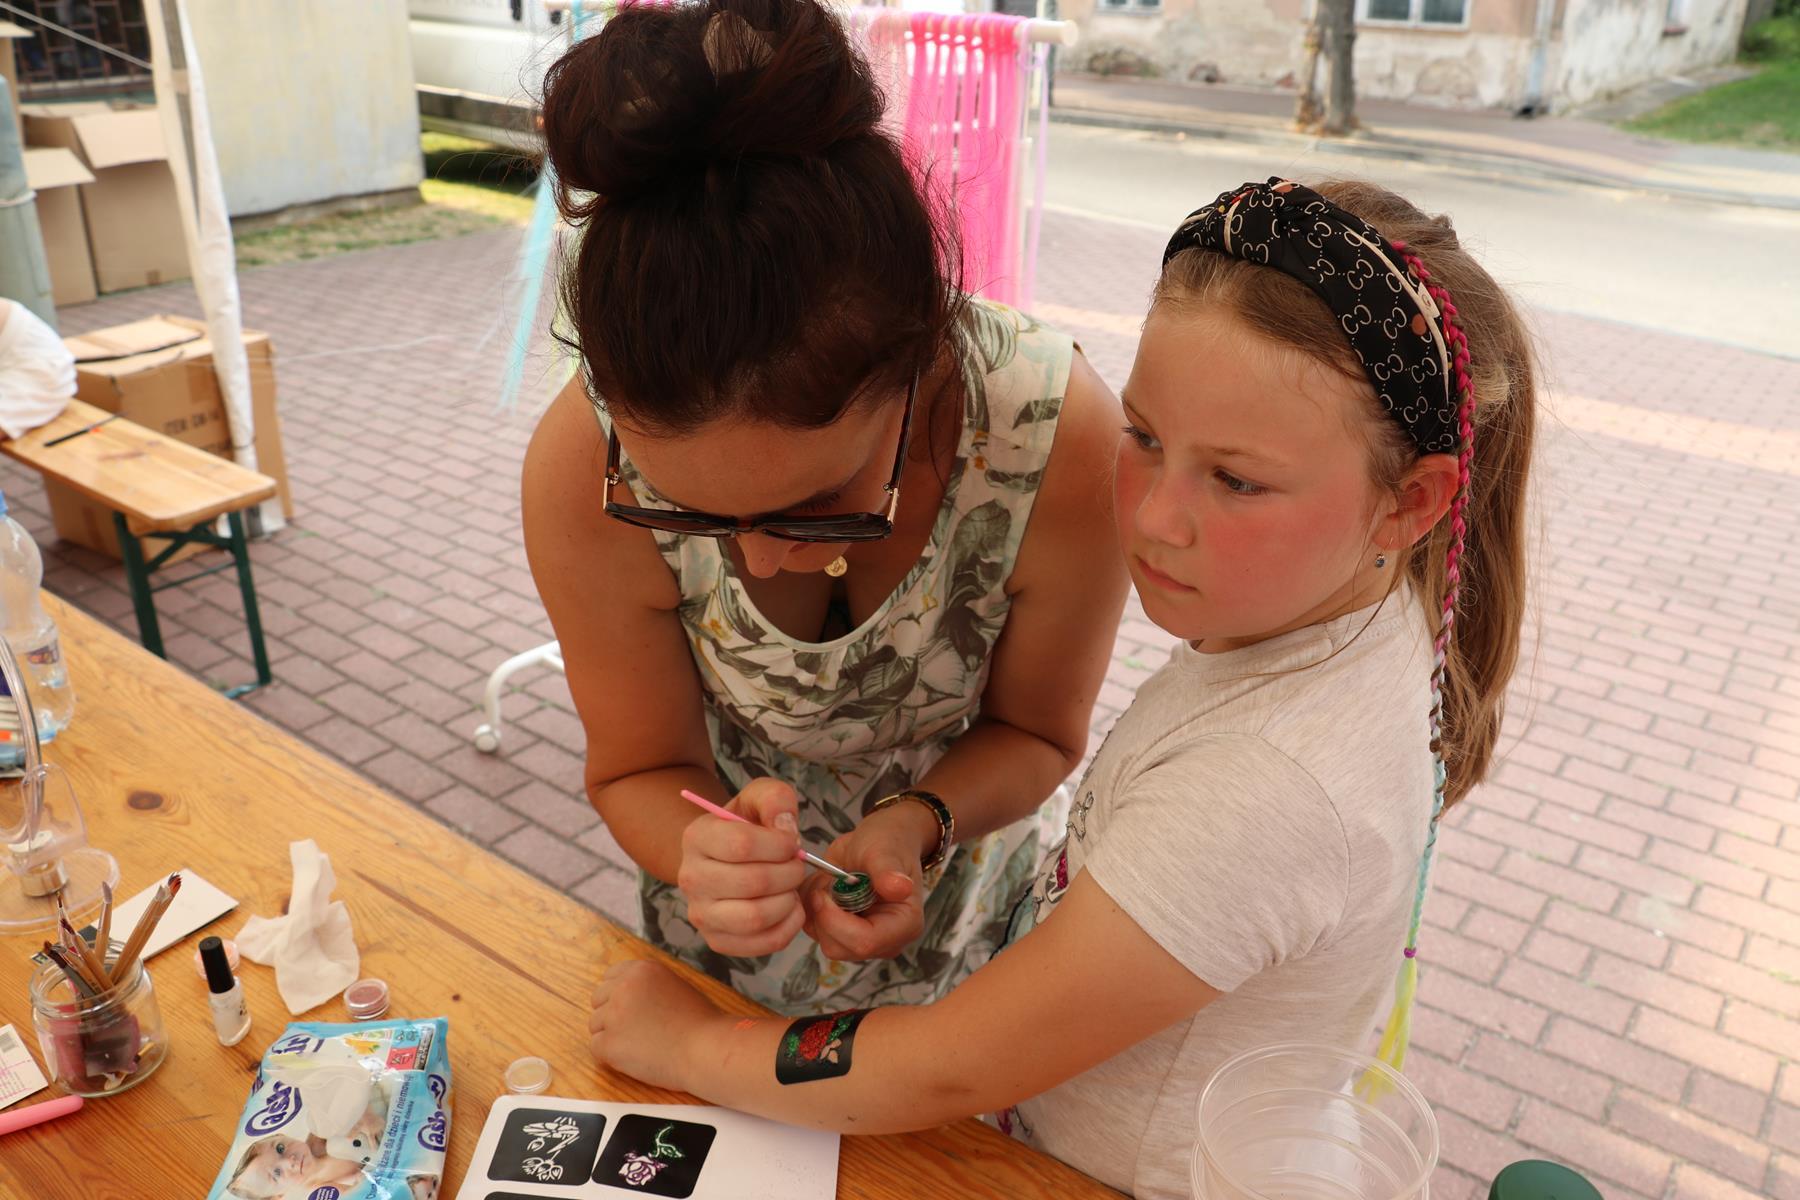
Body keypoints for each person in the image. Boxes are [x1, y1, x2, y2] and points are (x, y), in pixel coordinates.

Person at [584, 177, 1537, 1200]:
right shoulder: (1337, 616)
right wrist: (918, 819)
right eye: (1146, 438)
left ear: (1411, 502)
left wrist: (692, 1048)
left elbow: (948, 1065)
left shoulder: (1266, 786)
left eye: (1237, 480)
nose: (1156, 518)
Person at [523, 0, 1127, 1015]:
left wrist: (921, 821)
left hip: (970, 907)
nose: (758, 561)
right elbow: (638, 767)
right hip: (729, 956)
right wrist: (702, 855)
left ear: (922, 362)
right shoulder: (585, 468)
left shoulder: (1051, 437)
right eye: (689, 514)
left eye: (819, 505)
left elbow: (1038, 733)